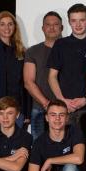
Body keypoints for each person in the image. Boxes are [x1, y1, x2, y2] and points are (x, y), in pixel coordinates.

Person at [47, 3, 86, 135]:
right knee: (66, 145)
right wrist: (63, 101)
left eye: (82, 20)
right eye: (74, 21)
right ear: (69, 22)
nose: (78, 25)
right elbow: (52, 77)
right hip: (65, 109)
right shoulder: (60, 44)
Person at [23, 11, 63, 140]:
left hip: (66, 110)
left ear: (61, 27)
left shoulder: (70, 49)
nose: (52, 28)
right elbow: (28, 82)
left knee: (66, 147)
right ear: (42, 28)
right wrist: (46, 104)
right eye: (48, 24)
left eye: (55, 24)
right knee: (38, 147)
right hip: (40, 109)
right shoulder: (32, 51)